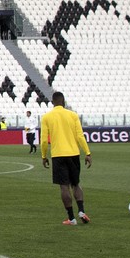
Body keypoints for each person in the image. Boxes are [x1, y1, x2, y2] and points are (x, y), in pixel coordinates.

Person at [39, 92, 92, 225]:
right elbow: (80, 136)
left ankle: (72, 218)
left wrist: (44, 156)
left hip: (58, 155)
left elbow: (44, 140)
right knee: (76, 184)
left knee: (64, 187)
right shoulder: (72, 115)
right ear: (64, 102)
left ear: (52, 102)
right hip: (73, 153)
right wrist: (87, 152)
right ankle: (81, 211)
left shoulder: (47, 117)